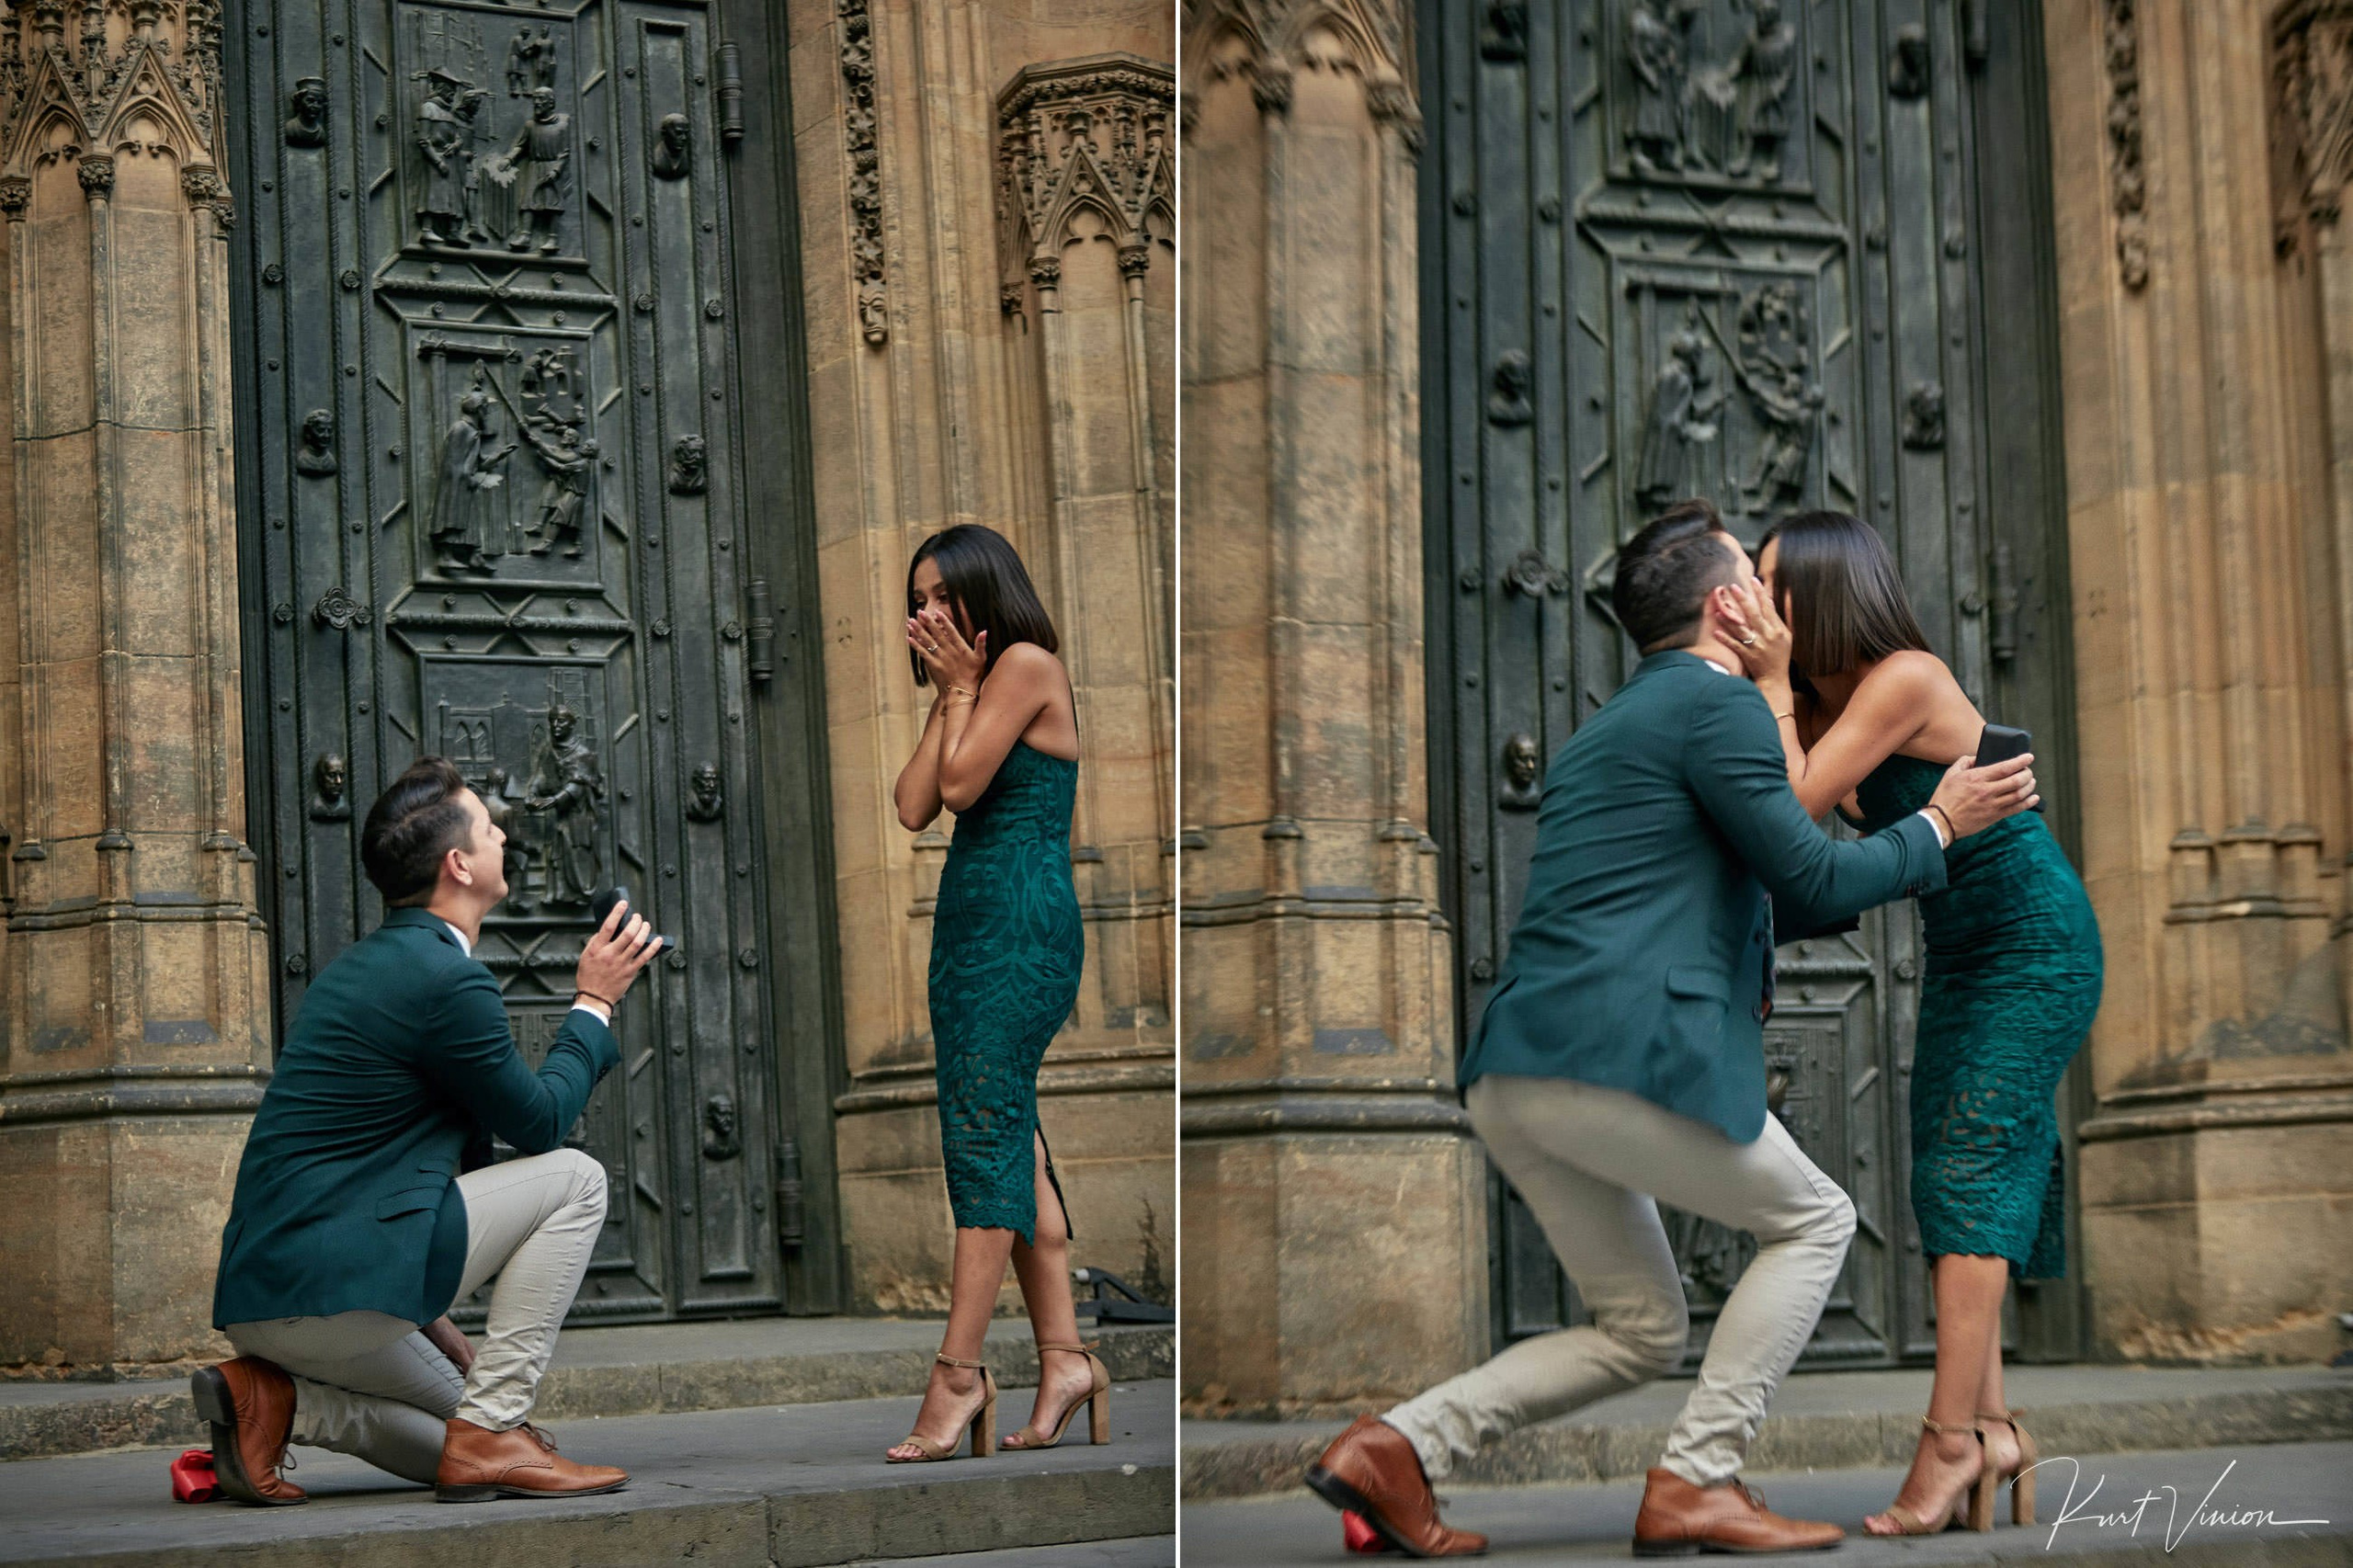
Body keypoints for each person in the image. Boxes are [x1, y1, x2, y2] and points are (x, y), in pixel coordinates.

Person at [1304, 499, 2039, 1557]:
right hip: (1624, 1056)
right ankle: (1698, 1477)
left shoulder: (1609, 723)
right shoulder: (1718, 708)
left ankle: (1399, 1447)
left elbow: (1777, 896)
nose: (1778, 603)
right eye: (1758, 577)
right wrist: (1938, 823)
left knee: (1641, 1325)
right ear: (1726, 602)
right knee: (1817, 1219)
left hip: (1518, 1070)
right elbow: (1813, 868)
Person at [1721, 510, 2103, 1535]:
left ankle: (1946, 1444)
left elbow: (1796, 800)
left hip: (2032, 939)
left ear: (1823, 587)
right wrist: (1775, 688)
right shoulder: (1828, 695)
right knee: (1949, 1161)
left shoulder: (1901, 675)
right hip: (1963, 947)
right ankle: (1994, 1428)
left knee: (1970, 1160)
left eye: (1771, 582)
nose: (1759, 601)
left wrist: (1767, 686)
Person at [197, 756, 663, 1506]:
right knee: (577, 1178)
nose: (503, 834)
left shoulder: (366, 968)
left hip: (270, 1300)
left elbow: (374, 1172)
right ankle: (495, 1426)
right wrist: (594, 1003)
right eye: (488, 827)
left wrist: (438, 1329)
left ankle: (278, 1401)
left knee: (452, 1446)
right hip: (332, 1291)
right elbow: (541, 1123)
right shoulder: (445, 978)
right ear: (459, 864)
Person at [885, 524, 1108, 1463]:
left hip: (1021, 928)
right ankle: (1065, 1357)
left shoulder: (1022, 663)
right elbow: (911, 804)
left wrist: (961, 692)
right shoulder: (968, 686)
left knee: (982, 1138)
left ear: (986, 591)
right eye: (918, 598)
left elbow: (968, 786)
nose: (926, 613)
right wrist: (947, 699)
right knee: (1008, 1129)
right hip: (970, 931)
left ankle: (958, 1373)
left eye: (941, 595)